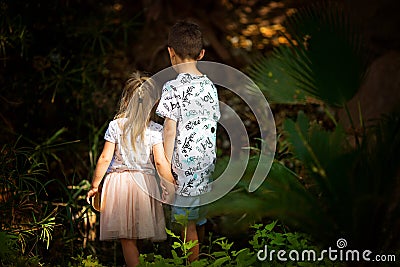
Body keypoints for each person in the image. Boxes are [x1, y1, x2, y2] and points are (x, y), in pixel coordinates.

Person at [86, 72, 174, 267]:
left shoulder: (116, 126)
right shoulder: (154, 130)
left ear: (125, 99)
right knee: (138, 231)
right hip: (145, 185)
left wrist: (94, 185)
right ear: (153, 103)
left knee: (127, 237)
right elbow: (160, 162)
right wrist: (170, 184)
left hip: (119, 184)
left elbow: (105, 157)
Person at [156, 20, 220, 262]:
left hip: (183, 169)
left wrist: (166, 166)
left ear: (170, 52)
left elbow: (170, 130)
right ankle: (203, 255)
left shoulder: (172, 87)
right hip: (206, 165)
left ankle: (193, 261)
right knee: (199, 216)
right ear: (201, 54)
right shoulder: (210, 87)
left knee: (186, 226)